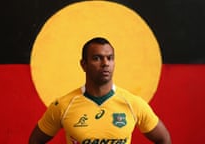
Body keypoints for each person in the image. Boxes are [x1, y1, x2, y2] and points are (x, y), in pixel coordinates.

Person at [29, 37, 171, 144]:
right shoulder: (63, 105)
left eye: (110, 58)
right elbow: (34, 141)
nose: (105, 63)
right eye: (97, 58)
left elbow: (164, 139)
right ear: (83, 64)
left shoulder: (134, 104)